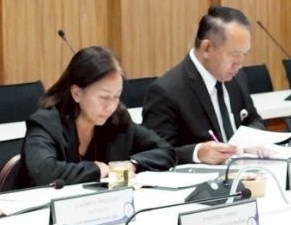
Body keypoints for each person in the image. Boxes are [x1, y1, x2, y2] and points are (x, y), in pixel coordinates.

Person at [22, 45, 178, 186]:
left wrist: (133, 164)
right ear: (77, 93)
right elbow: (43, 172)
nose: (111, 106)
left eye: (116, 97)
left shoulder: (117, 120)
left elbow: (166, 151)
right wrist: (97, 170)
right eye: (104, 97)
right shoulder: (46, 123)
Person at [138, 5, 263, 163]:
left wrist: (251, 140)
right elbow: (155, 154)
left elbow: (253, 119)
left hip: (242, 169)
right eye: (234, 54)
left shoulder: (236, 77)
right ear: (207, 48)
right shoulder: (166, 91)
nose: (239, 63)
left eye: (244, 54)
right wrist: (196, 153)